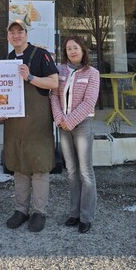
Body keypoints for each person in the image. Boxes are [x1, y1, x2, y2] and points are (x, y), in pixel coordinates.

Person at [4, 19, 59, 233]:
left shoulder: (40, 54)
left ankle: (39, 212)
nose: (16, 35)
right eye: (12, 32)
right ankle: (21, 210)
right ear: (8, 36)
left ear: (26, 34)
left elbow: (54, 82)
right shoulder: (7, 59)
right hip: (15, 123)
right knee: (19, 166)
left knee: (39, 167)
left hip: (38, 123)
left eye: (20, 32)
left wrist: (30, 77)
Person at [50, 36, 100, 234]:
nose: (72, 51)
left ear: (83, 50)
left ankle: (86, 217)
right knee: (71, 171)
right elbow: (54, 96)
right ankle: (74, 213)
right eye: (69, 48)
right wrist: (59, 119)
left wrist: (69, 121)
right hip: (63, 125)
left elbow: (89, 102)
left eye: (75, 48)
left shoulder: (92, 73)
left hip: (82, 125)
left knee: (86, 172)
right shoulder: (60, 70)